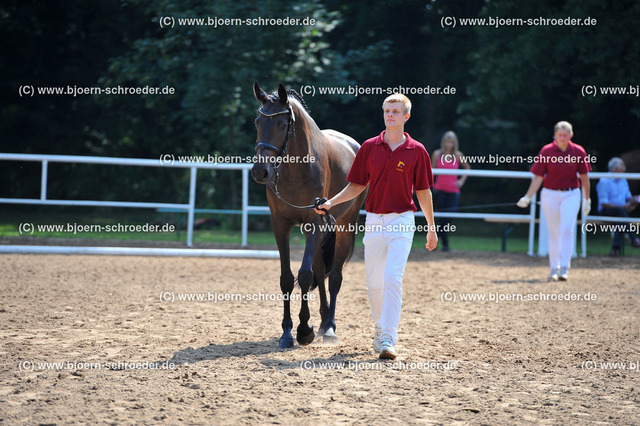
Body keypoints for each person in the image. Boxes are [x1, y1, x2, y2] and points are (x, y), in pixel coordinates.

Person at [314, 93, 438, 360]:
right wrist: (330, 202)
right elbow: (356, 185)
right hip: (373, 221)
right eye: (386, 111)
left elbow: (424, 191)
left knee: (393, 278)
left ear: (406, 116)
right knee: (373, 284)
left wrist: (431, 226)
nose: (390, 115)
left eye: (395, 111)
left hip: (402, 222)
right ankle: (380, 328)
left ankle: (388, 338)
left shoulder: (418, 151)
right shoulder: (369, 147)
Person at [517, 121, 591, 281]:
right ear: (555, 135)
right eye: (560, 135)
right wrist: (528, 196)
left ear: (570, 135)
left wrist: (587, 199)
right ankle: (553, 267)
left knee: (567, 229)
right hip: (549, 194)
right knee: (553, 231)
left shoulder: (578, 151)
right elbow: (538, 177)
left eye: (565, 135)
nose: (562, 138)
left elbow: (584, 177)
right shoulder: (547, 151)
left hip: (571, 194)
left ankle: (565, 267)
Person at [431, 131, 471, 251]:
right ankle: (445, 244)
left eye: (451, 142)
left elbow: (467, 168)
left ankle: (436, 239)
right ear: (444, 142)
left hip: (453, 190)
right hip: (439, 189)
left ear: (454, 143)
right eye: (447, 141)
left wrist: (461, 181)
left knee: (449, 216)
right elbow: (432, 171)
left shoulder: (458, 155)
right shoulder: (437, 154)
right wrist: (429, 187)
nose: (449, 144)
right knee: (441, 216)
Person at [596, 157, 640, 256]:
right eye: (622, 168)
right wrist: (622, 206)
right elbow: (604, 203)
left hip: (621, 211)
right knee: (620, 213)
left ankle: (615, 249)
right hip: (605, 210)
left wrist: (635, 201)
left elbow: (628, 197)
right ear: (614, 169)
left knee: (619, 219)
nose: (624, 170)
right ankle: (633, 238)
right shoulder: (604, 181)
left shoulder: (623, 180)